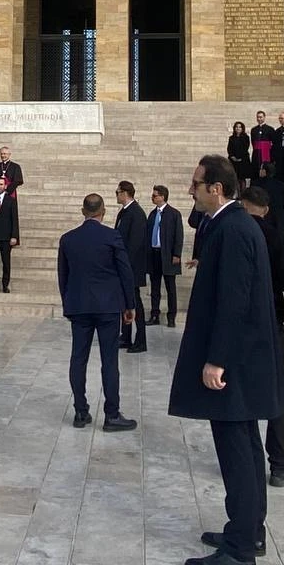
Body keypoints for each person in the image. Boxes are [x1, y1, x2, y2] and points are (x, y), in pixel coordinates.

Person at [170, 155, 283, 565]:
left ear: (215, 188)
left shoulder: (234, 228)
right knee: (247, 448)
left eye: (196, 184)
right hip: (244, 357)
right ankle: (247, 532)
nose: (190, 190)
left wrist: (217, 359)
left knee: (237, 452)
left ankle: (240, 550)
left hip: (235, 361)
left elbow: (234, 299)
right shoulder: (231, 224)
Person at [238, 185, 284, 489]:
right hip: (270, 326)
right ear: (266, 210)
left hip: (237, 327)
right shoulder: (276, 238)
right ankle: (279, 465)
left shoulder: (228, 233)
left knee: (240, 396)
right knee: (278, 393)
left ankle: (244, 463)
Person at [58, 193, 138, 432]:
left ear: (84, 212)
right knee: (109, 360)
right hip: (107, 307)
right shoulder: (111, 236)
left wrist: (68, 303)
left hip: (79, 306)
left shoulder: (68, 239)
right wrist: (129, 304)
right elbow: (125, 271)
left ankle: (81, 411)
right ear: (103, 212)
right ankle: (112, 414)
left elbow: (63, 276)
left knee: (78, 358)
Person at [114, 180, 148, 351]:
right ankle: (125, 336)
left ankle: (140, 340)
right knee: (125, 301)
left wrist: (125, 265)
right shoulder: (125, 212)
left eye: (117, 192)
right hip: (124, 266)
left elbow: (135, 244)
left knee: (136, 303)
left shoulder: (136, 213)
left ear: (125, 193)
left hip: (132, 267)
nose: (116, 195)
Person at [145, 185, 184, 328]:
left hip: (167, 255)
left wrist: (176, 254)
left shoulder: (174, 214)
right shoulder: (152, 214)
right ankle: (154, 314)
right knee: (154, 287)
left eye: (155, 195)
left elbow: (178, 235)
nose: (153, 197)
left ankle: (171, 316)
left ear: (162, 196)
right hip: (154, 254)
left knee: (170, 287)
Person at [252, 163, 284, 236]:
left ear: (264, 171)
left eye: (261, 169)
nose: (259, 171)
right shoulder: (281, 185)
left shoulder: (256, 185)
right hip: (279, 223)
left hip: (262, 223)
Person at [227, 122, 252, 189]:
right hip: (233, 161)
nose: (238, 128)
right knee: (235, 178)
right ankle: (236, 193)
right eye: (236, 127)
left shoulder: (246, 137)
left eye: (240, 127)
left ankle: (243, 194)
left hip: (243, 160)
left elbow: (245, 148)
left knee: (242, 178)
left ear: (242, 128)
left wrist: (240, 158)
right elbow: (229, 149)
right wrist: (233, 157)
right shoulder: (231, 138)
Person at [250, 111, 275, 176]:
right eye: (258, 117)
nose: (259, 119)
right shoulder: (254, 129)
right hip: (256, 153)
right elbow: (253, 142)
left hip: (266, 153)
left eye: (261, 117)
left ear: (264, 117)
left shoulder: (270, 129)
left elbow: (273, 142)